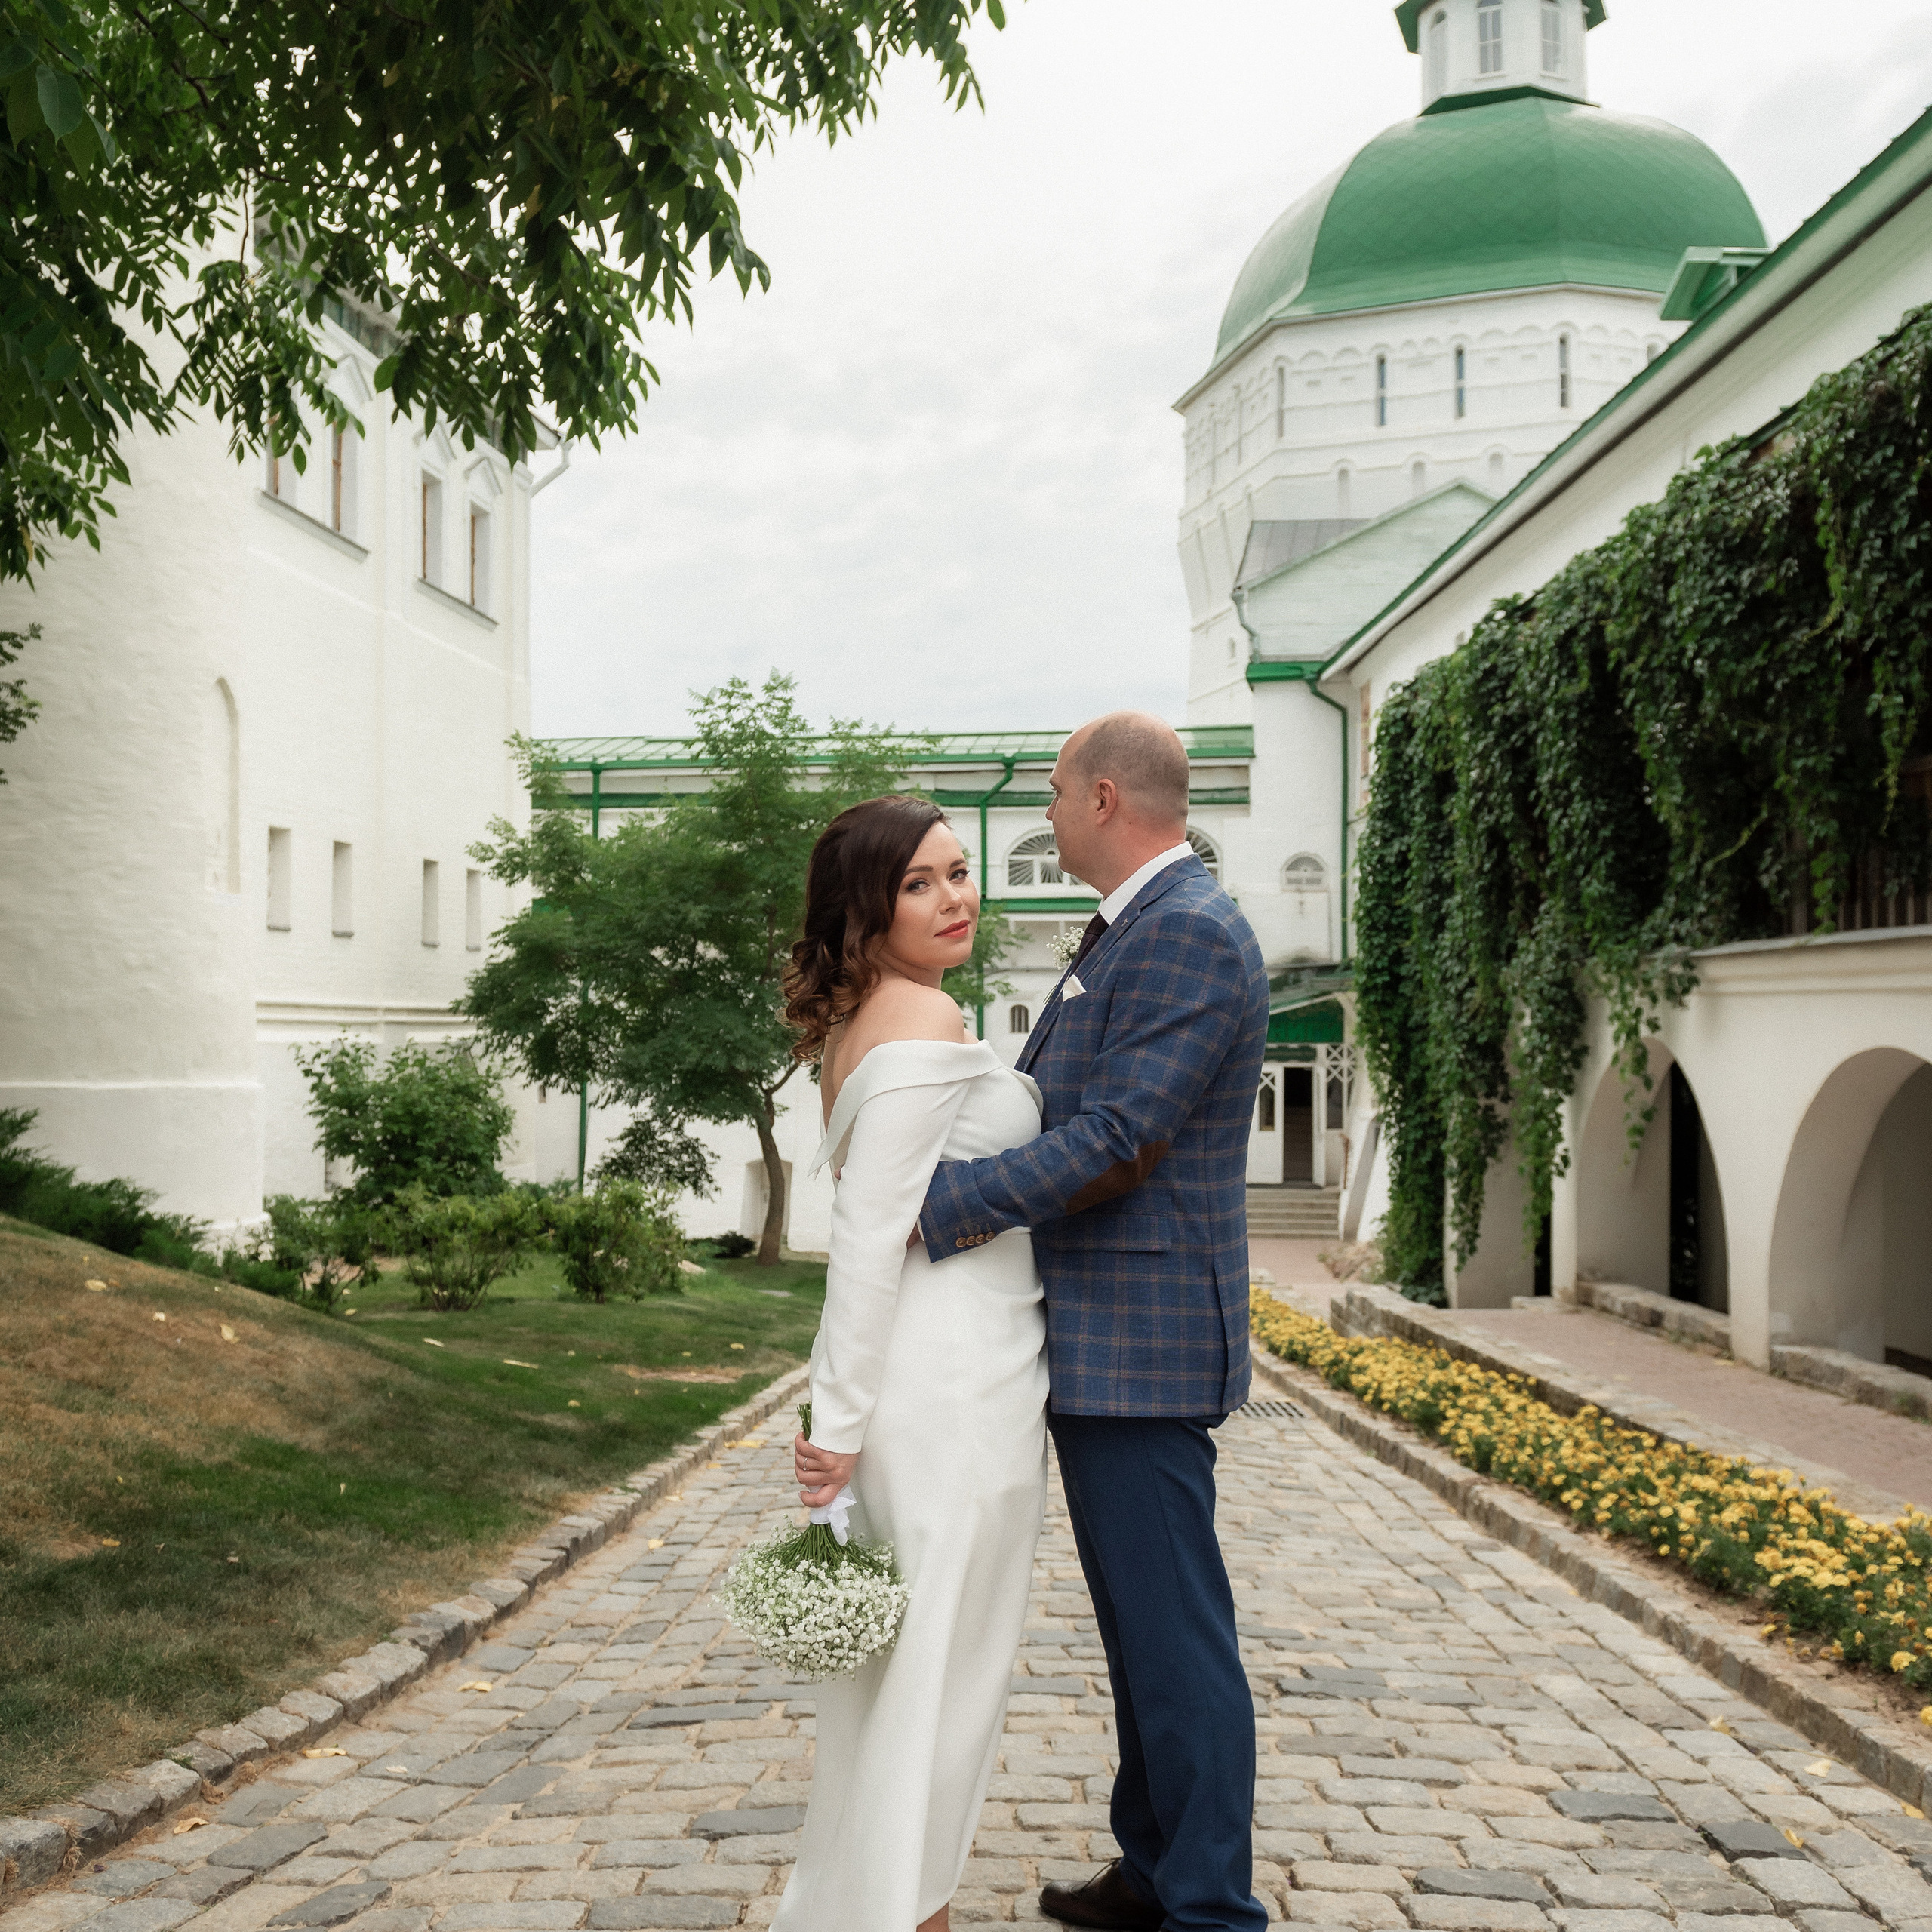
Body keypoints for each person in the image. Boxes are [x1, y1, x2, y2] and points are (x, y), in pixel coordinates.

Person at [915, 712, 1271, 1932]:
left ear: (1108, 799)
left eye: (1059, 796)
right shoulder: (1138, 929)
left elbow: (1123, 1139)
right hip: (1106, 1342)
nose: (1049, 816)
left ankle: (1213, 1908)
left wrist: (946, 1203)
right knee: (1140, 1637)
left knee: (1178, 1642)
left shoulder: (1186, 935)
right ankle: (1156, 1870)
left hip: (1145, 1346)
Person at [773, 792, 1051, 1932]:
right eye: (920, 884)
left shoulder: (870, 1021)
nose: (956, 898)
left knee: (905, 1683)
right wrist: (833, 1428)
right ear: (865, 911)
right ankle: (901, 1916)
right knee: (940, 1680)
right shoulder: (921, 1024)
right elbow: (867, 1242)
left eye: (960, 872)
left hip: (945, 1381)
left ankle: (880, 1908)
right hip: (950, 1391)